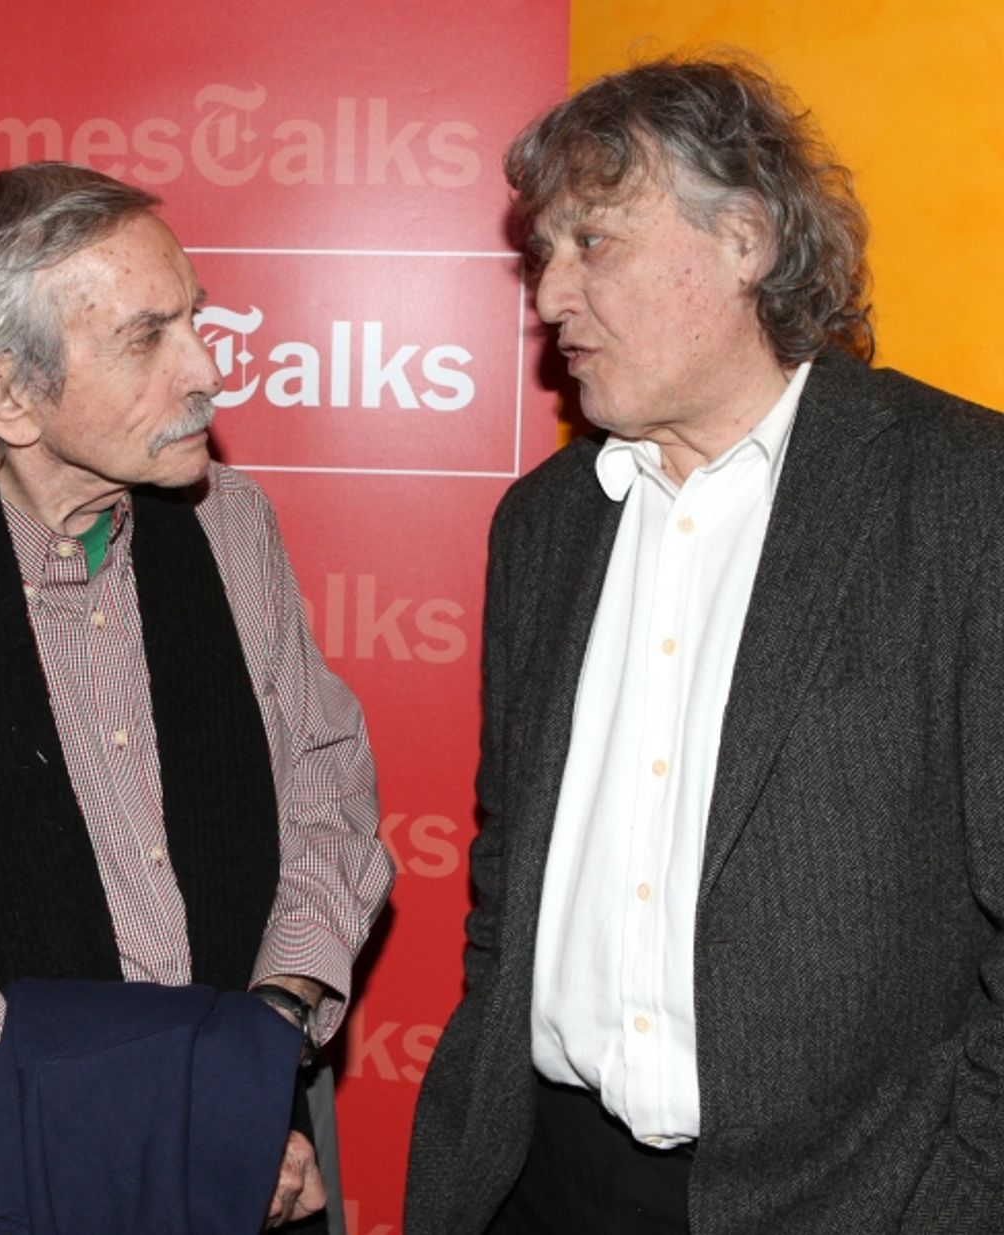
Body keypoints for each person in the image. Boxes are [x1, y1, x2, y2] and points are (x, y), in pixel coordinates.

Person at [406, 56, 1004, 1234]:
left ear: (745, 239)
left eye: (595, 244)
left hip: (847, 1197)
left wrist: (952, 1199)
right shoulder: (544, 524)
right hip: (543, 1177)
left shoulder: (960, 499)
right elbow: (510, 863)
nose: (551, 297)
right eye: (542, 254)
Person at [0, 161, 394, 1233]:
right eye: (146, 336)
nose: (207, 370)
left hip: (269, 1130)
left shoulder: (231, 525)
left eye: (196, 322)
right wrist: (160, 1106)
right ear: (4, 390)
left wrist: (266, 1026)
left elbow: (323, 781)